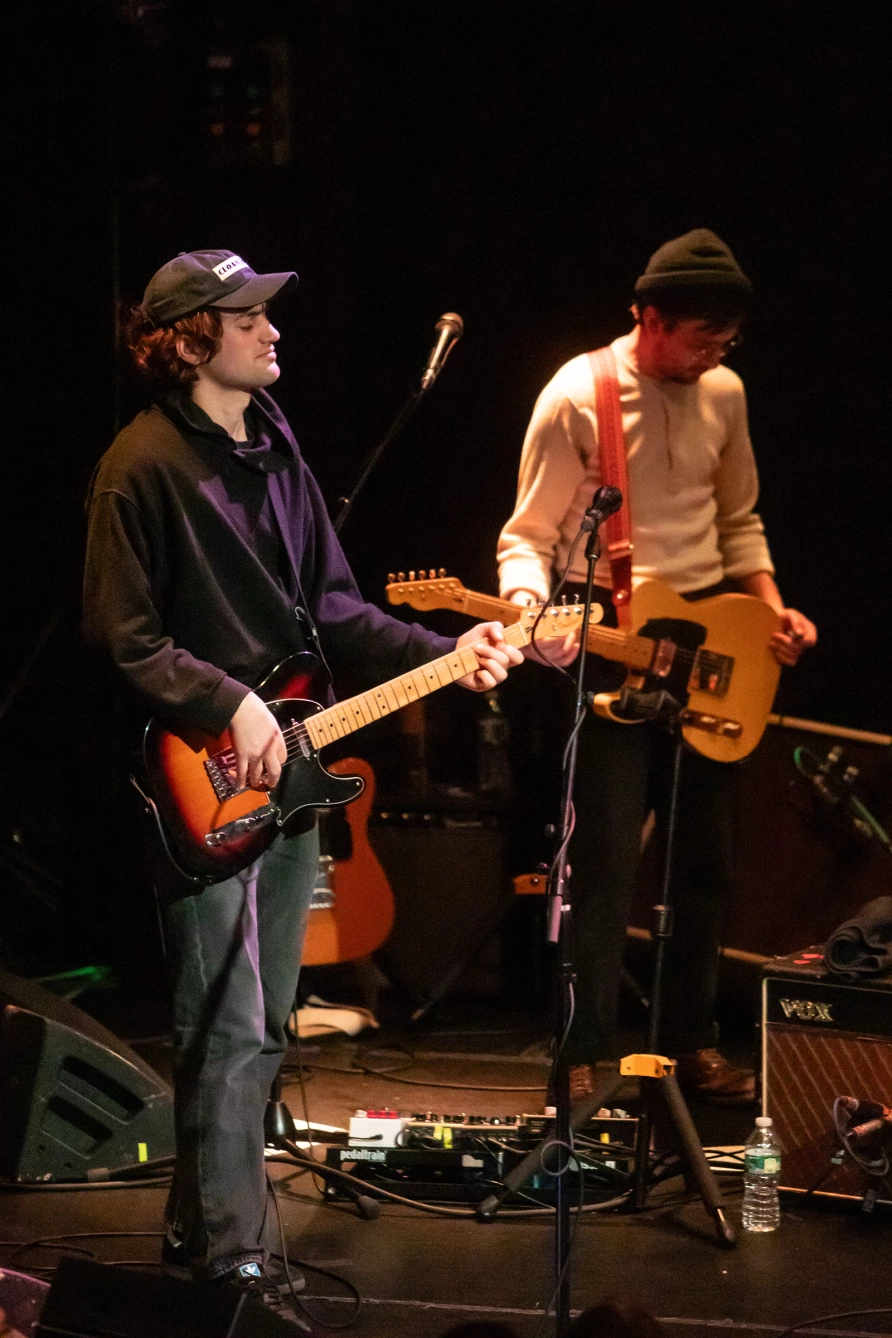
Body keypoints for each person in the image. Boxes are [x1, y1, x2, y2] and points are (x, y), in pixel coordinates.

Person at [82, 249, 523, 1321]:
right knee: (225, 1025)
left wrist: (447, 651)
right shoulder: (137, 467)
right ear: (191, 340)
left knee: (263, 1021)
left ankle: (205, 1242)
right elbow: (120, 634)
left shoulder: (276, 447)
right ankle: (234, 1262)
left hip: (291, 772)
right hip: (207, 777)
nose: (274, 332)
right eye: (250, 319)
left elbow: (330, 607)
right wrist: (225, 701)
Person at [498, 229, 816, 1104]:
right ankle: (588, 1051)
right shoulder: (578, 394)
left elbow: (739, 521)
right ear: (648, 317)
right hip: (606, 630)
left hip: (710, 641)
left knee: (704, 863)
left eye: (727, 339)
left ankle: (686, 1046)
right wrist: (532, 614)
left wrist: (772, 605)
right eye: (701, 336)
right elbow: (526, 537)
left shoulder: (725, 393)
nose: (716, 353)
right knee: (603, 860)